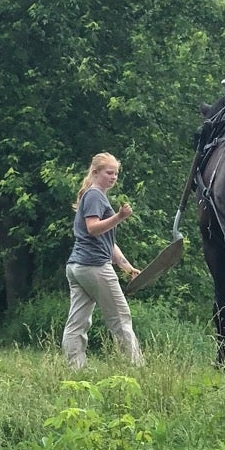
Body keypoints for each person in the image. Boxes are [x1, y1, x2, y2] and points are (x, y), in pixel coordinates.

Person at [63, 152, 143, 369]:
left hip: (77, 267)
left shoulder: (92, 195)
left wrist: (125, 265)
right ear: (95, 172)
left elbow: (107, 240)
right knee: (120, 317)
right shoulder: (95, 195)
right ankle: (137, 368)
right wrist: (119, 217)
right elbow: (93, 228)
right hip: (94, 266)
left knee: (77, 322)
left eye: (116, 173)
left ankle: (75, 369)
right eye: (109, 172)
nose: (113, 177)